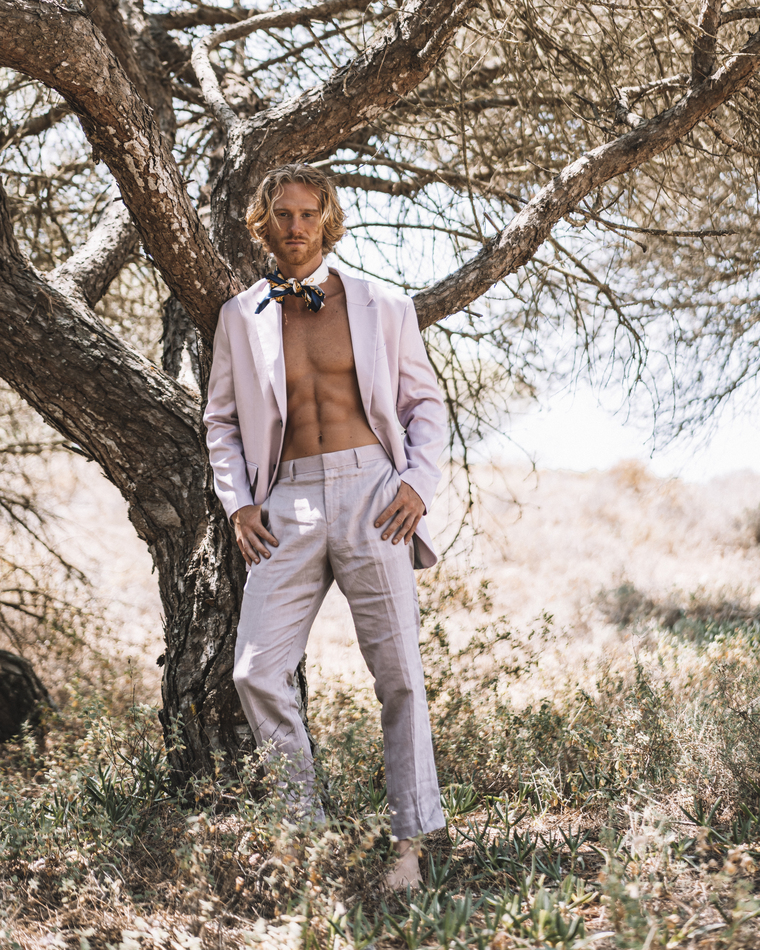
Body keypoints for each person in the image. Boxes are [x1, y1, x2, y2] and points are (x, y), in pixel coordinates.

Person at [203, 163, 447, 890]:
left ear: (328, 222)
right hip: (286, 501)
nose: (296, 227)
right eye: (283, 214)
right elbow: (221, 420)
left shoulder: (381, 303)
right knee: (255, 670)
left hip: (374, 492)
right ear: (263, 225)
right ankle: (305, 833)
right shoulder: (239, 316)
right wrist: (240, 503)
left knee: (399, 674)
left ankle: (409, 845)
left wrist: (417, 485)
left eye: (309, 214)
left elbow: (424, 405)